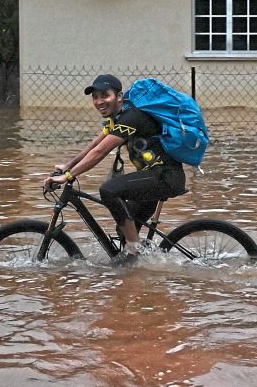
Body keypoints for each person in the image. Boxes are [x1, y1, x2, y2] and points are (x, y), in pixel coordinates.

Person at [43, 73, 187, 265]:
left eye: (105, 95)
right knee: (123, 226)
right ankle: (139, 269)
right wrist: (68, 166)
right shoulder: (117, 117)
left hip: (165, 177)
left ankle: (133, 251)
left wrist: (69, 176)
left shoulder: (131, 117)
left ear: (118, 96)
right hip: (155, 176)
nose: (99, 101)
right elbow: (95, 145)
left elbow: (101, 151)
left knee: (109, 190)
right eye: (95, 97)